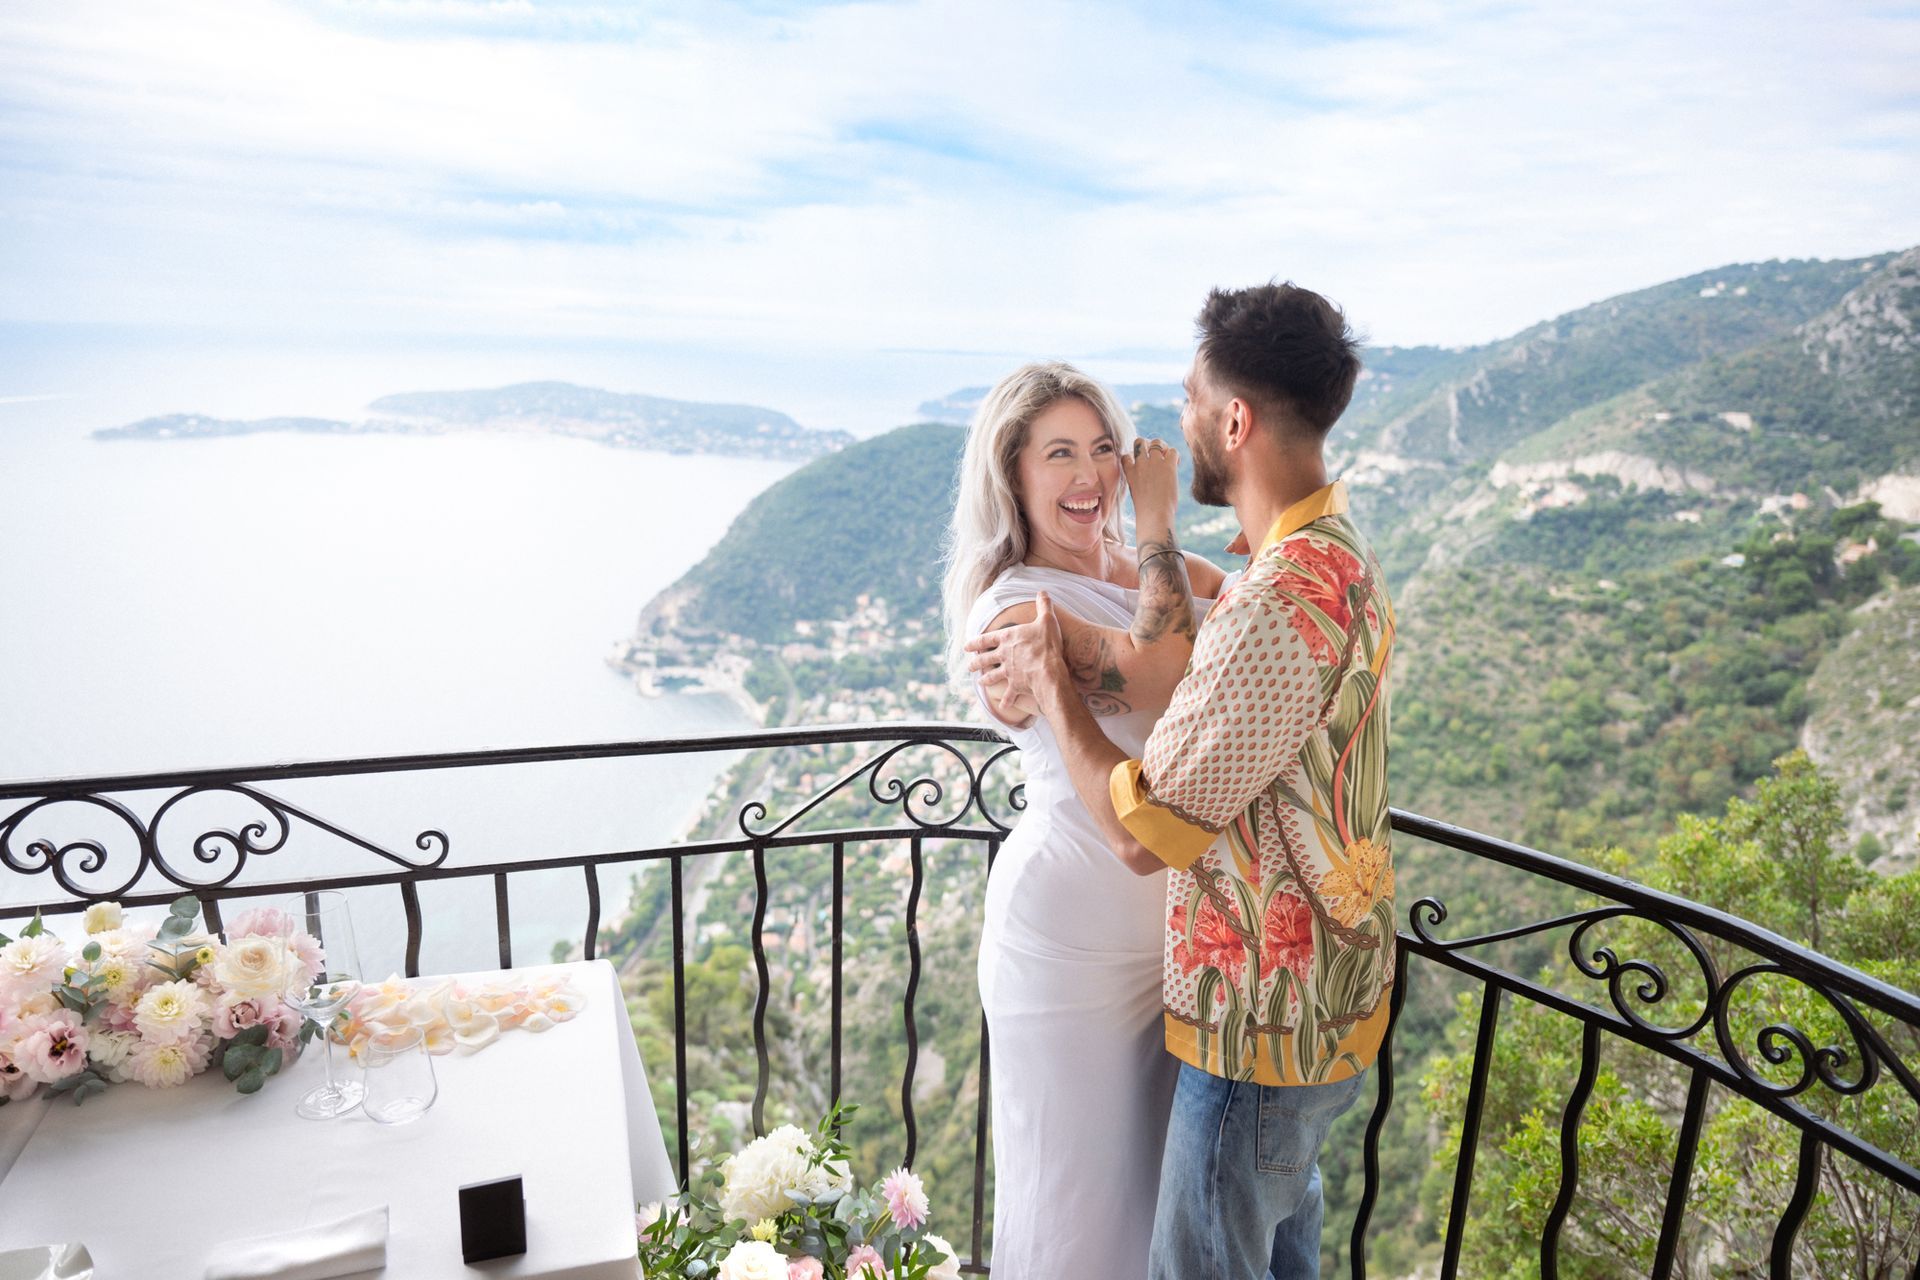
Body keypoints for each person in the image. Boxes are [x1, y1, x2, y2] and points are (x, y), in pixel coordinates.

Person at [968, 285, 1397, 1280]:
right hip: (1282, 983)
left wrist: (1060, 675)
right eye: (1059, 452)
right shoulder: (1336, 559)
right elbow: (1165, 646)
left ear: (1235, 420)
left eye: (1192, 400)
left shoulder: (1268, 596)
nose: (1170, 428)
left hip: (1258, 997)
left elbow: (1145, 816)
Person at [939, 361, 1226, 1280]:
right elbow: (1173, 666)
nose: (1089, 474)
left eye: (1103, 448)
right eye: (1059, 452)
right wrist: (1158, 524)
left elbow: (1252, 608)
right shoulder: (1011, 609)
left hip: (1175, 940)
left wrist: (1152, 553)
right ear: (1012, 474)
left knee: (1159, 1218)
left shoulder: (1138, 573)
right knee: (1080, 1218)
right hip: (1067, 952)